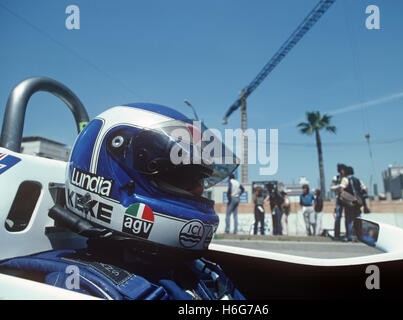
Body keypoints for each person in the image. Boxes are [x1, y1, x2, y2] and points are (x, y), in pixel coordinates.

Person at [0, 103, 245, 300]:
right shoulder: (78, 287)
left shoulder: (199, 271)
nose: (199, 188)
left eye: (200, 177)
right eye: (181, 174)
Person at [339, 166, 366, 242]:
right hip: (358, 203)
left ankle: (349, 236)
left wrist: (346, 197)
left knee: (349, 220)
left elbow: (341, 189)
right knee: (358, 219)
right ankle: (358, 236)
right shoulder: (358, 180)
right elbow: (365, 189)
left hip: (350, 203)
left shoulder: (345, 179)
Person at [330, 164, 347, 241]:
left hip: (347, 200)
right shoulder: (336, 178)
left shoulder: (347, 178)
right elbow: (331, 187)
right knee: (338, 217)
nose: (343, 171)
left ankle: (349, 233)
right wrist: (340, 186)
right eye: (341, 170)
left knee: (348, 217)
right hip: (339, 199)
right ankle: (336, 234)